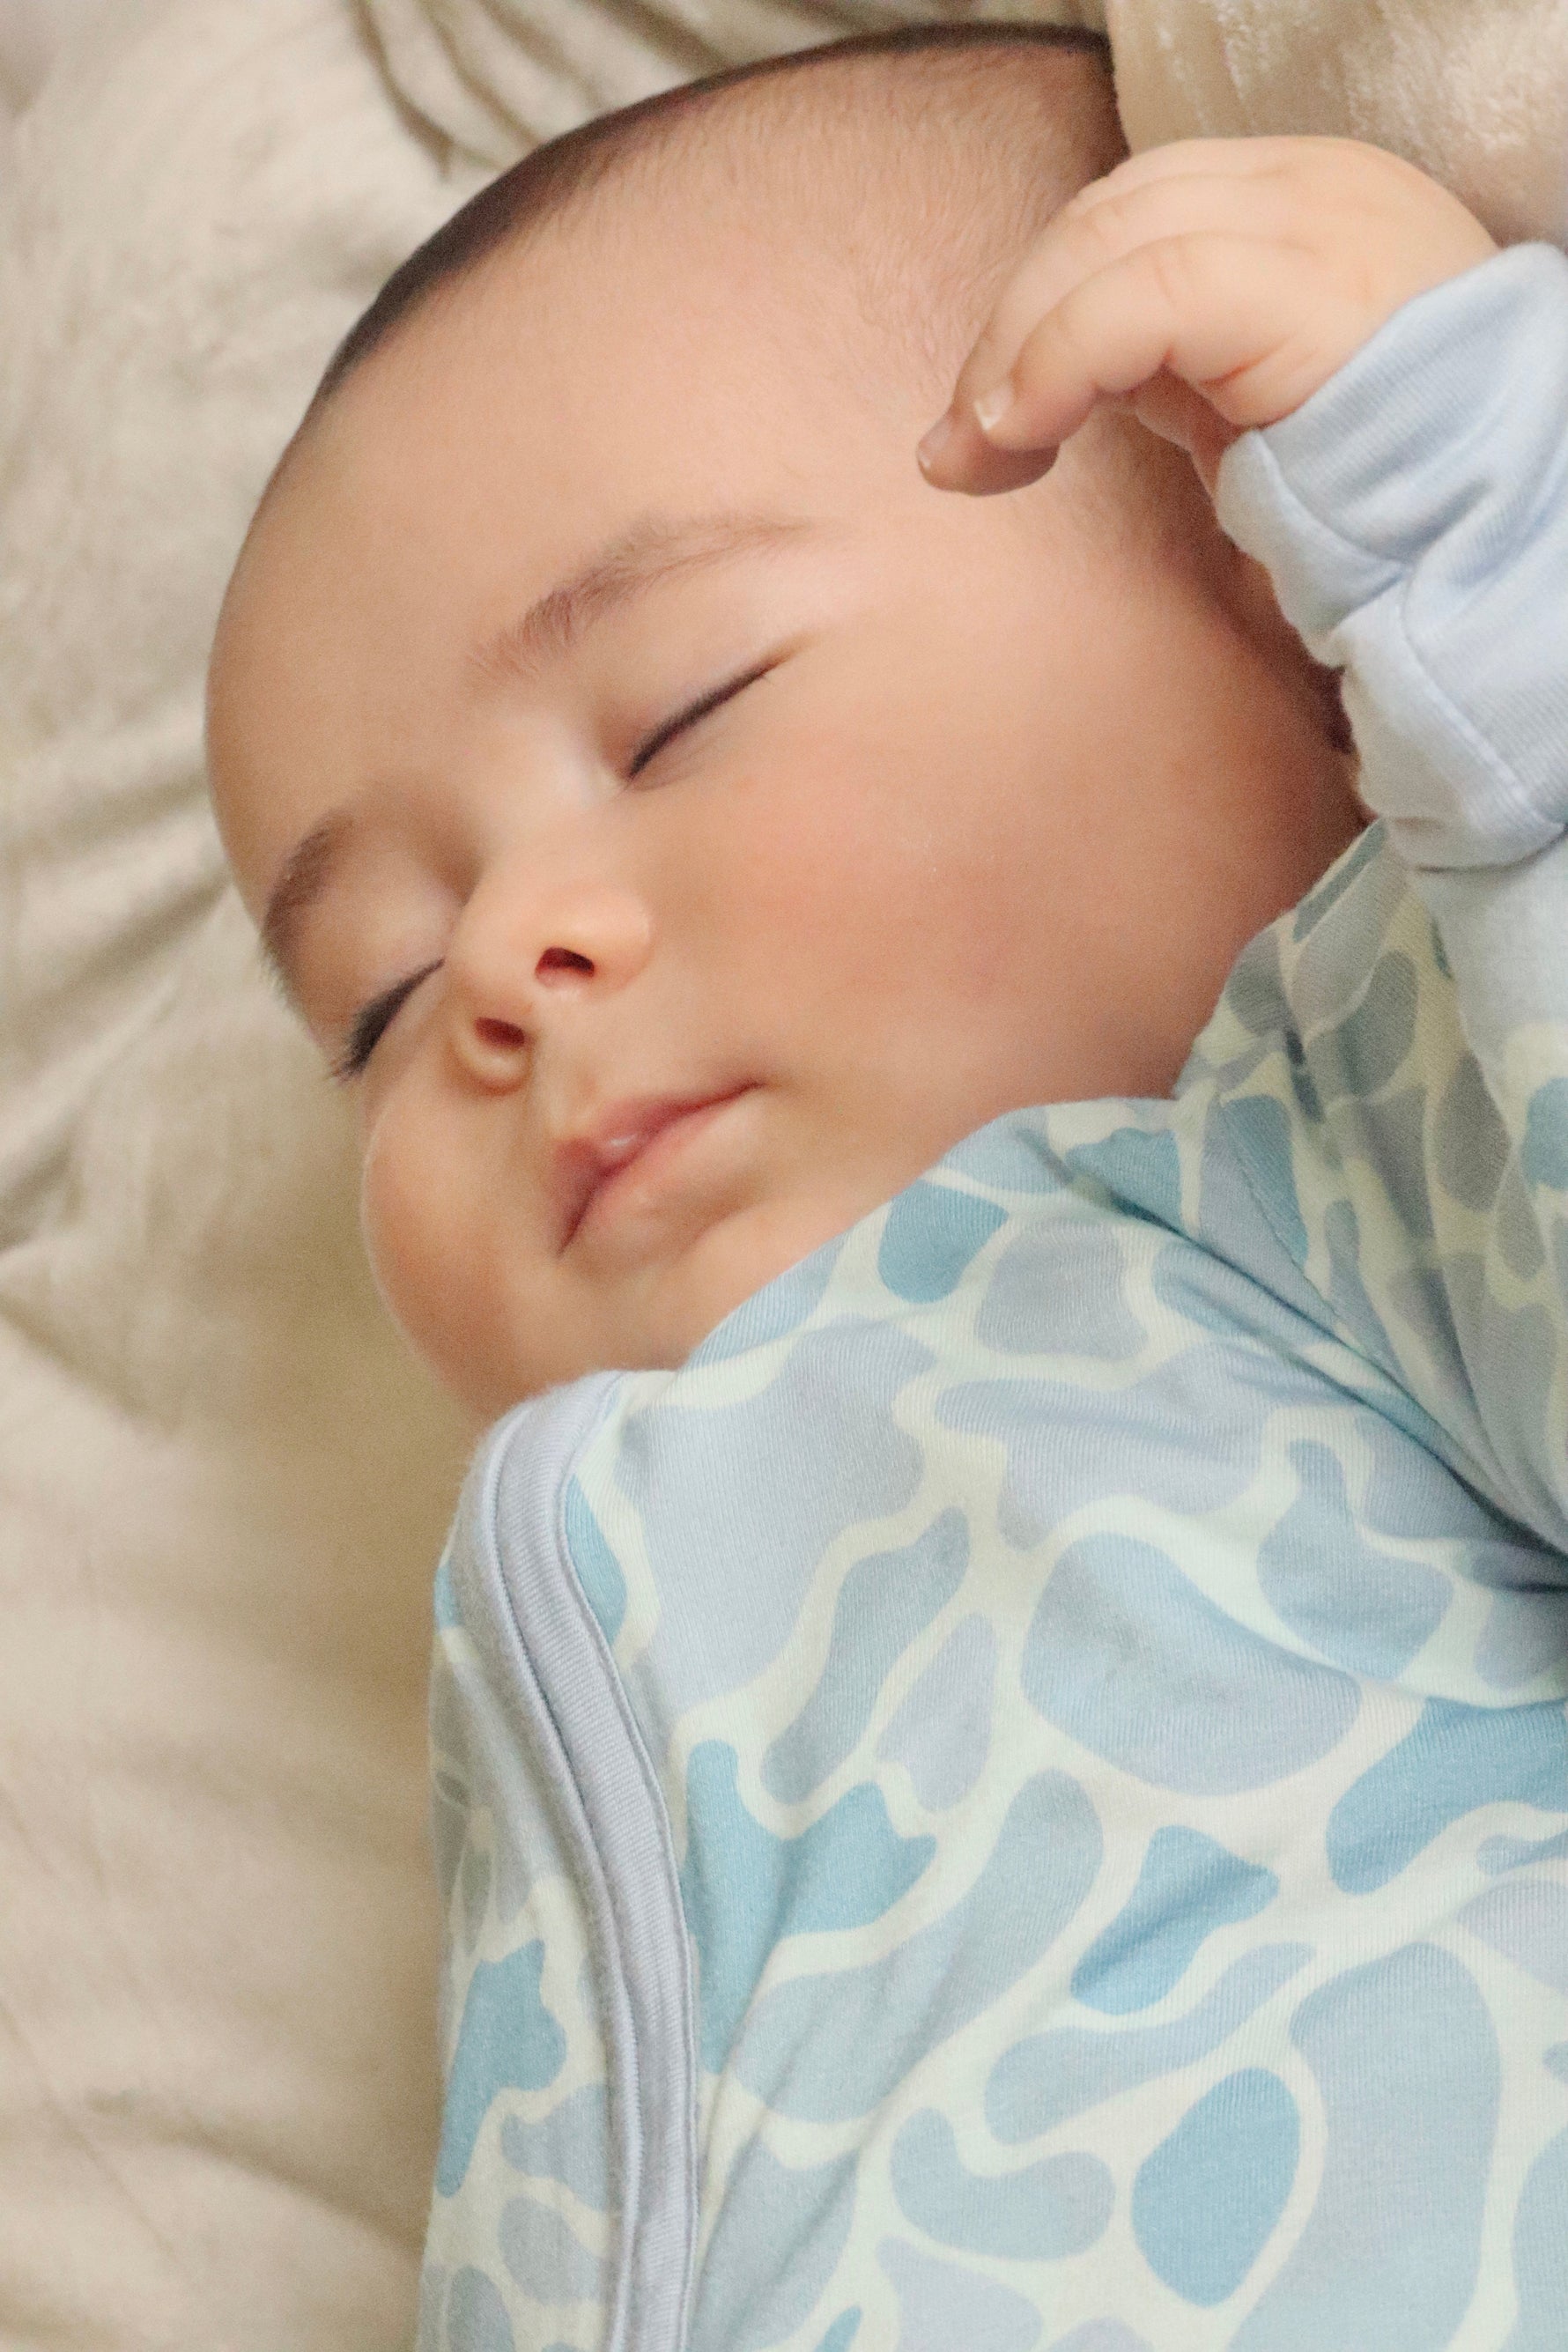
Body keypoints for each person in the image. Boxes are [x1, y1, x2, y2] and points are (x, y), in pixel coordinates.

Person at [206, 27, 1568, 2349]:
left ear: (1281, 630)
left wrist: (1479, 549)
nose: (507, 972)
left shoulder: (1319, 1204)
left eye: (680, 713)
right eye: (378, 996)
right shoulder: (580, 1604)